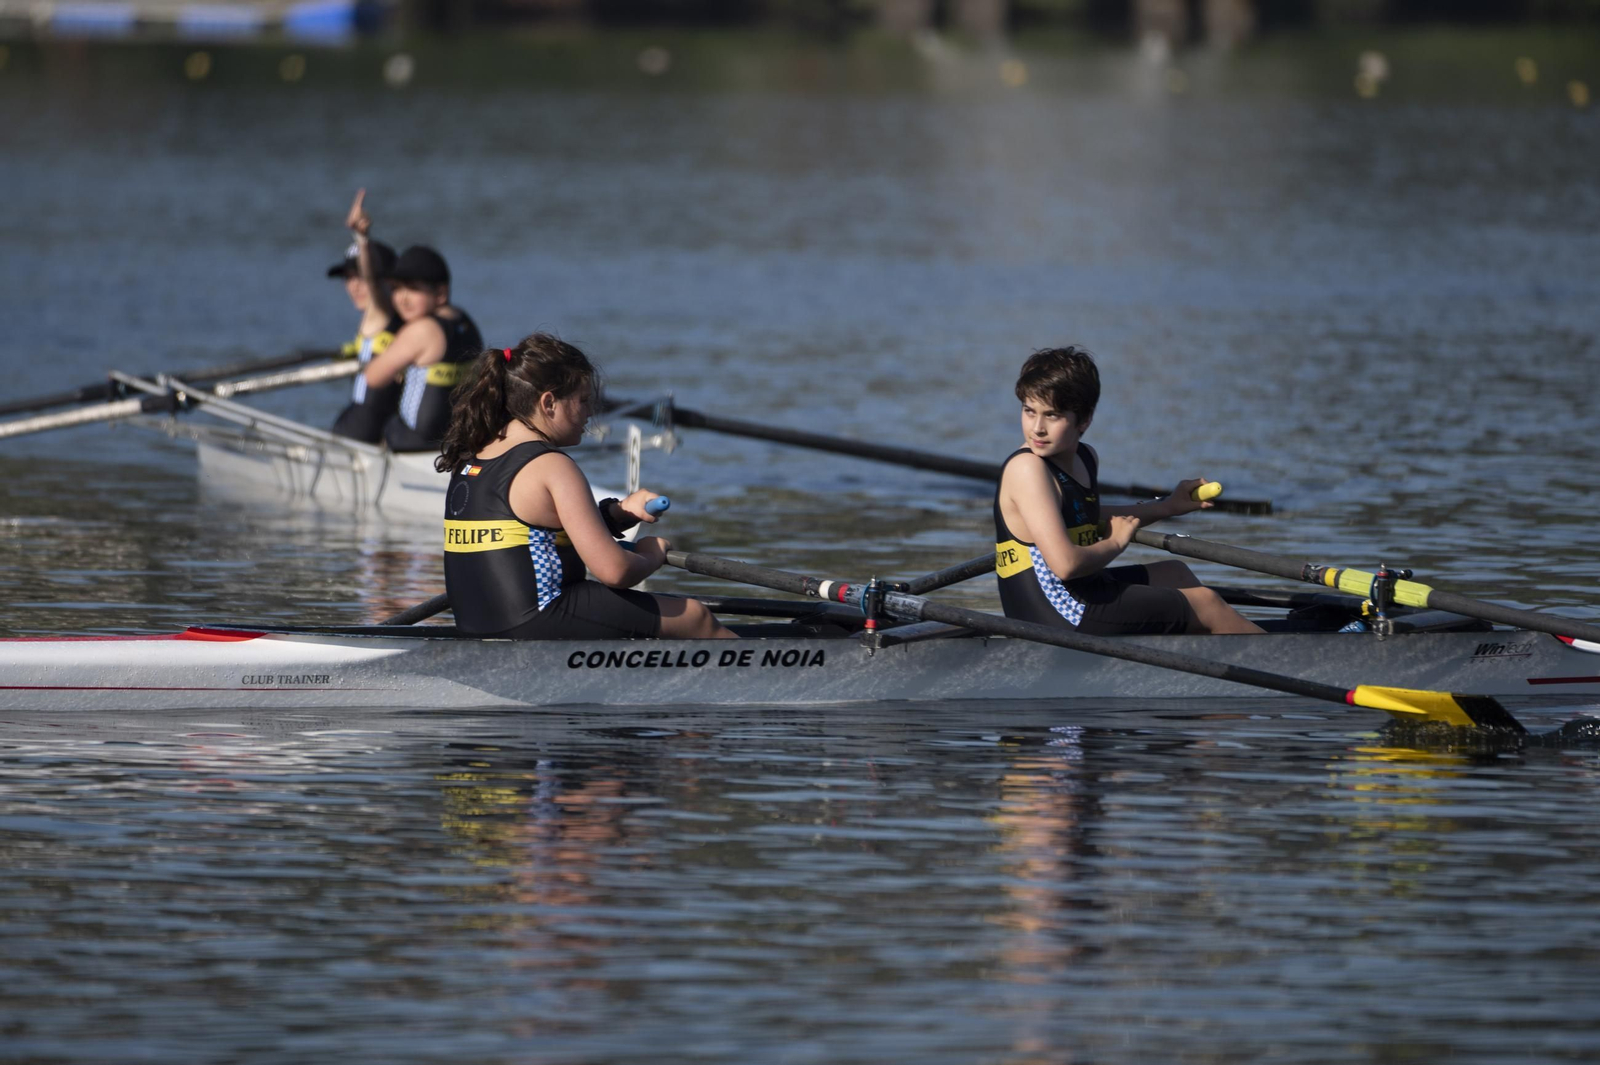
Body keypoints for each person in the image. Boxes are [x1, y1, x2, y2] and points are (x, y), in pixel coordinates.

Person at [436, 333, 734, 641]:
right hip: (541, 615)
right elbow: (615, 571)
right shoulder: (552, 465)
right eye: (582, 400)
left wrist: (617, 513)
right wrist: (651, 554)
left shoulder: (474, 456)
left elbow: (543, 530)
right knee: (695, 617)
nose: (590, 412)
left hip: (476, 622)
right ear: (548, 402)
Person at [994, 346, 1264, 636]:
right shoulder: (1028, 469)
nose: (1037, 428)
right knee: (1207, 603)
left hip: (1082, 590)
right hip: (1053, 610)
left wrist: (1167, 506)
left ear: (1084, 420)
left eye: (1053, 415)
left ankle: (1199, 657)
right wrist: (1114, 543)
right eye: (1029, 411)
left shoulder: (1086, 458)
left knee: (1176, 573)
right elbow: (1066, 566)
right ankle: (1280, 663)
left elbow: (1088, 516)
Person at [344, 189, 484, 452]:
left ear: (440, 293)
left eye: (413, 289)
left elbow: (373, 377)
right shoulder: (466, 323)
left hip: (410, 442)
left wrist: (396, 361)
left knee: (378, 421)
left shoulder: (421, 330)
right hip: (451, 444)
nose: (402, 299)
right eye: (396, 288)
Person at [327, 236, 405, 443]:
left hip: (364, 431)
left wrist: (362, 238)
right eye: (348, 278)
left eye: (360, 277)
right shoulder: (385, 319)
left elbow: (375, 284)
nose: (353, 286)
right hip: (365, 425)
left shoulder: (381, 313)